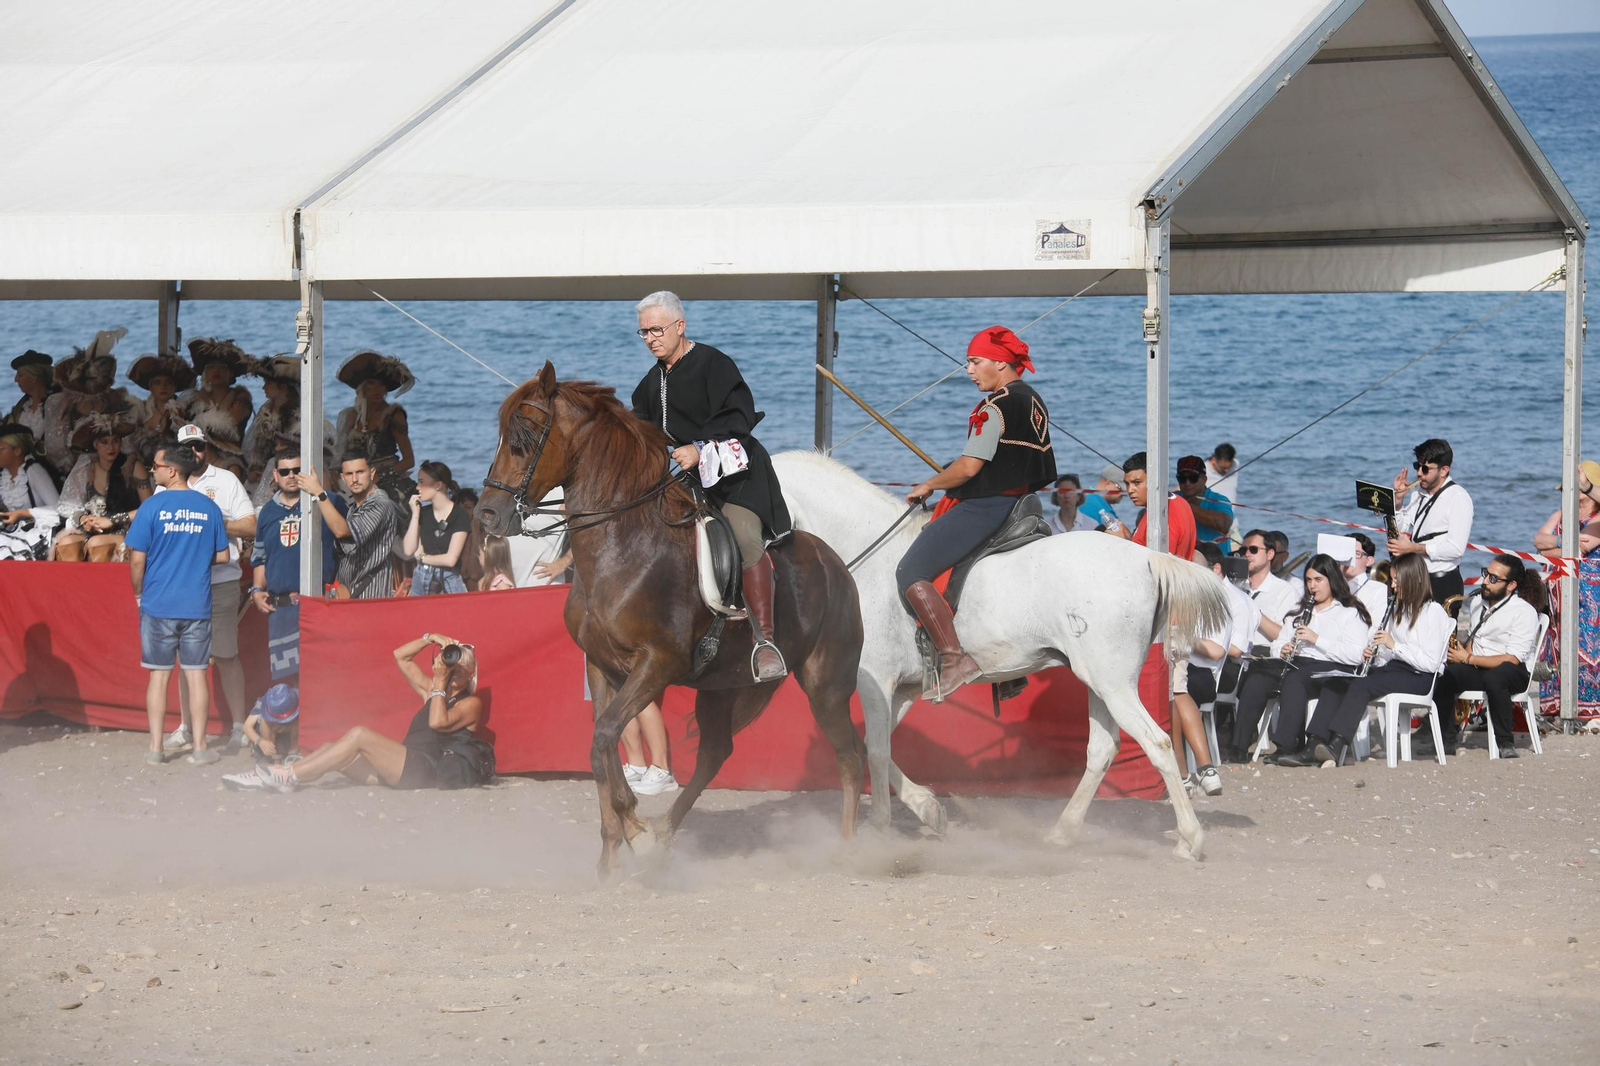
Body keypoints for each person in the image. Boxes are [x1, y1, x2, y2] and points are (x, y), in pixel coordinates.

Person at [630, 291, 794, 682]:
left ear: (679, 326)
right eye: (643, 333)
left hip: (737, 477)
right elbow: (642, 431)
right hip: (690, 482)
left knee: (741, 535)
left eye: (656, 329)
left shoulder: (714, 365)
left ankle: (765, 641)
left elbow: (738, 419)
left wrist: (699, 448)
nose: (651, 338)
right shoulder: (650, 383)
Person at [895, 325, 1055, 700]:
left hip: (988, 506)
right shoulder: (1032, 400)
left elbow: (969, 468)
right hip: (1019, 502)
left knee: (910, 571)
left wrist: (931, 484)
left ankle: (954, 659)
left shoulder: (996, 406)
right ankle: (1004, 666)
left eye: (975, 361)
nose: (967, 369)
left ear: (999, 362)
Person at [224, 634, 491, 792]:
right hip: (400, 768)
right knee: (332, 749)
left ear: (470, 675)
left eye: (460, 670)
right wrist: (428, 638)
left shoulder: (470, 703)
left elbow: (437, 721)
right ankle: (281, 778)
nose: (453, 672)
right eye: (450, 665)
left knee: (359, 735)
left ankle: (286, 773)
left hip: (425, 770)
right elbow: (400, 657)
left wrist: (440, 681)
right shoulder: (433, 691)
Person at [1280, 552, 1450, 767]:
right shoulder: (1399, 610)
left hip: (1419, 676)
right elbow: (1390, 654)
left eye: (1398, 581)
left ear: (1414, 579)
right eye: (1392, 580)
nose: (1394, 586)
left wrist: (1393, 645)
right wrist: (1377, 653)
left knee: (1362, 685)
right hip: (1395, 670)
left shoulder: (1433, 612)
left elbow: (1431, 663)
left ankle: (1338, 743)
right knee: (1340, 679)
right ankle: (1315, 741)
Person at [124, 442, 229, 766]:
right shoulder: (208, 507)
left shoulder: (152, 508)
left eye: (156, 465)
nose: (152, 470)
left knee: (159, 676)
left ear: (172, 470)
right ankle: (199, 747)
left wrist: (138, 593)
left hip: (158, 603)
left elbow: (136, 558)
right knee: (196, 675)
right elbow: (223, 555)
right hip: (196, 603)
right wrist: (194, 557)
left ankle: (156, 748)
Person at [156, 426, 257, 756]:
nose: (194, 452)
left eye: (199, 446)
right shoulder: (166, 485)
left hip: (221, 580)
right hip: (182, 583)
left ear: (207, 447)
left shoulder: (226, 480)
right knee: (187, 661)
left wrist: (212, 521)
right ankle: (186, 728)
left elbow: (251, 525)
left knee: (227, 655)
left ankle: (240, 727)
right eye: (187, 447)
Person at [1231, 554, 1371, 761]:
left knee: (1295, 679)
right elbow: (1278, 641)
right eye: (1308, 580)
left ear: (1332, 580)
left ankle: (1288, 745)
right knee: (1257, 678)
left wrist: (1317, 639)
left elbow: (1355, 654)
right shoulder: (1300, 612)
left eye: (1318, 580)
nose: (1312, 586)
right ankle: (1238, 748)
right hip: (1296, 663)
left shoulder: (1349, 613)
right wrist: (1282, 650)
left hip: (1329, 667)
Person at [1427, 554, 1546, 758]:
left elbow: (1512, 659)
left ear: (1511, 585)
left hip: (1513, 671)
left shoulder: (1523, 612)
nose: (1485, 581)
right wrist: (1458, 659)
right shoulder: (1477, 604)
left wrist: (1467, 659)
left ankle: (1505, 743)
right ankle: (1445, 741)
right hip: (1479, 666)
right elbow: (1476, 639)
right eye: (1486, 574)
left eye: (1493, 578)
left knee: (1495, 677)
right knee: (1443, 675)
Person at [251, 449, 351, 684]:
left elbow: (344, 532)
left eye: (297, 470)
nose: (291, 476)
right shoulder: (268, 512)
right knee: (286, 684)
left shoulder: (329, 500)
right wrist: (256, 590)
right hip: (282, 611)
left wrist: (319, 494)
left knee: (323, 678)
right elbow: (259, 557)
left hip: (319, 604)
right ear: (276, 475)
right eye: (285, 471)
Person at [1179, 543, 1254, 796]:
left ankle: (1190, 770)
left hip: (1202, 673)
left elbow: (1217, 651)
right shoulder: (1181, 601)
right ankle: (1191, 769)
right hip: (1181, 666)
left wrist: (1183, 636)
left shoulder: (1218, 604)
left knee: (1174, 690)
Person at [1536, 461, 1600, 721]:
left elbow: (1585, 548)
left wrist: (1557, 548)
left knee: (1588, 647)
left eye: (1575, 490)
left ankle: (1590, 709)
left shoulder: (1597, 518)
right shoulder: (1562, 512)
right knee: (1556, 645)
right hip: (1557, 592)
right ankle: (1558, 706)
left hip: (1589, 595)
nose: (1570, 495)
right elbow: (1539, 542)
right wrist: (1565, 542)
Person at [50, 413, 144, 561]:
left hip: (126, 530)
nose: (111, 447)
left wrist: (112, 520)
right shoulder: (85, 469)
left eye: (115, 441)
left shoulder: (133, 466)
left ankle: (97, 584)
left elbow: (150, 508)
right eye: (104, 442)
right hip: (92, 530)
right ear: (95, 445)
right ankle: (71, 584)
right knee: (67, 543)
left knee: (97, 544)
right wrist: (84, 519)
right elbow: (70, 505)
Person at [1391, 438, 1474, 603]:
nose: (1419, 473)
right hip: (1417, 578)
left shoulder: (1458, 498)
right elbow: (1400, 527)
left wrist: (1413, 548)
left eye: (1425, 468)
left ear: (1443, 471)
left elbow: (1456, 549)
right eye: (1417, 466)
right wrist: (1398, 501)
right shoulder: (1418, 493)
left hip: (1441, 582)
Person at [334, 350, 416, 503]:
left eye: (381, 385)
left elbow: (409, 460)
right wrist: (334, 473)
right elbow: (339, 454)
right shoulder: (350, 415)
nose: (377, 390)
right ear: (363, 387)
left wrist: (380, 476)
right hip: (355, 483)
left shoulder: (393, 415)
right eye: (372, 384)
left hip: (389, 484)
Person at [333, 452, 407, 599]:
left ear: (372, 473)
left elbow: (342, 531)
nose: (354, 479)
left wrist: (319, 494)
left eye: (360, 472)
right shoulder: (355, 508)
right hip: (352, 595)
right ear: (342, 478)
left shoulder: (380, 504)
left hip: (372, 596)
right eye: (349, 474)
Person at [1109, 451, 1196, 559]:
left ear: (1155, 480)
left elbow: (1161, 565)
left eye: (1137, 483)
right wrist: (1129, 539)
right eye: (1127, 484)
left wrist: (1120, 544)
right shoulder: (1178, 502)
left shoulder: (1165, 514)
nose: (1130, 490)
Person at [403, 460, 472, 595]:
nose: (418, 487)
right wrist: (416, 514)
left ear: (438, 485)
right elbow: (408, 550)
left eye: (422, 482)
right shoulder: (423, 513)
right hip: (421, 577)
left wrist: (422, 557)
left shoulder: (459, 515)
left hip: (448, 579)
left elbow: (451, 559)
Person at [0, 423, 62, 561]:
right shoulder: (4, 475)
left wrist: (22, 513)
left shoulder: (33, 470)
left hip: (37, 532)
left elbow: (59, 508)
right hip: (14, 532)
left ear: (17, 451)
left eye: (1, 448)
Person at [180, 338, 254, 441]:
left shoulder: (241, 398)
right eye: (211, 367)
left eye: (222, 367)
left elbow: (227, 428)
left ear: (231, 372)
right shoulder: (197, 399)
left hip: (230, 453)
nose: (216, 371)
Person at [125, 353, 194, 460]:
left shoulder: (185, 411)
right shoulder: (141, 412)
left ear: (174, 386)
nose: (163, 387)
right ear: (150, 387)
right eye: (157, 383)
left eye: (168, 382)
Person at [1175, 454, 1233, 546]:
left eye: (1193, 478)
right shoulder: (1173, 498)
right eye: (1182, 478)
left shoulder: (1219, 500)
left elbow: (1224, 524)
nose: (1187, 483)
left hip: (1216, 559)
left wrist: (1187, 507)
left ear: (1204, 479)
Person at [238, 683, 301, 765]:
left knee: (298, 722)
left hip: (290, 734)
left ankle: (293, 754)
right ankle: (272, 756)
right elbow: (247, 727)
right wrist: (260, 741)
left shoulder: (297, 697)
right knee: (264, 721)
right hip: (270, 735)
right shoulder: (264, 701)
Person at [9, 350, 60, 441]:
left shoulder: (57, 405)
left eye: (20, 375)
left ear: (34, 378)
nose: (16, 379)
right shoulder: (20, 407)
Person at [1342, 533, 1390, 624]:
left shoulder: (1379, 590)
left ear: (1369, 561)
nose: (1349, 558)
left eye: (1356, 553)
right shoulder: (1328, 585)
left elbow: (1376, 629)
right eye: (1346, 552)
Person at [1079, 463, 1127, 533]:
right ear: (1107, 484)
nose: (1124, 494)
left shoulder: (1088, 497)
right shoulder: (1097, 506)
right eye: (1120, 489)